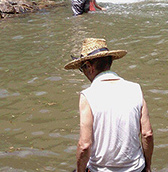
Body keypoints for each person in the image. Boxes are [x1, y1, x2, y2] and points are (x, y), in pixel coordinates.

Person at [64, 38, 153, 172]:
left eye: (82, 69)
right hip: (135, 168)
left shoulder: (88, 95)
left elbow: (84, 146)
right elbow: (147, 134)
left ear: (89, 66)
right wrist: (148, 166)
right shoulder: (135, 89)